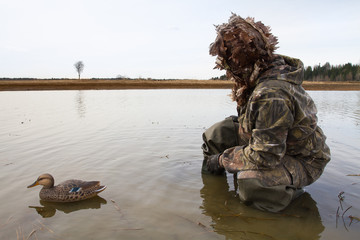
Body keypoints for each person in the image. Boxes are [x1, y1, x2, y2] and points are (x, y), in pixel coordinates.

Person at [201, 13, 331, 212]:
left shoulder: (272, 93)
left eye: (229, 63)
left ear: (242, 60)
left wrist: (221, 160)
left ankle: (288, 197)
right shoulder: (259, 75)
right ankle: (214, 193)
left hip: (302, 160)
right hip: (274, 146)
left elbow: (266, 155)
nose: (227, 70)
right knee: (216, 134)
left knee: (252, 183)